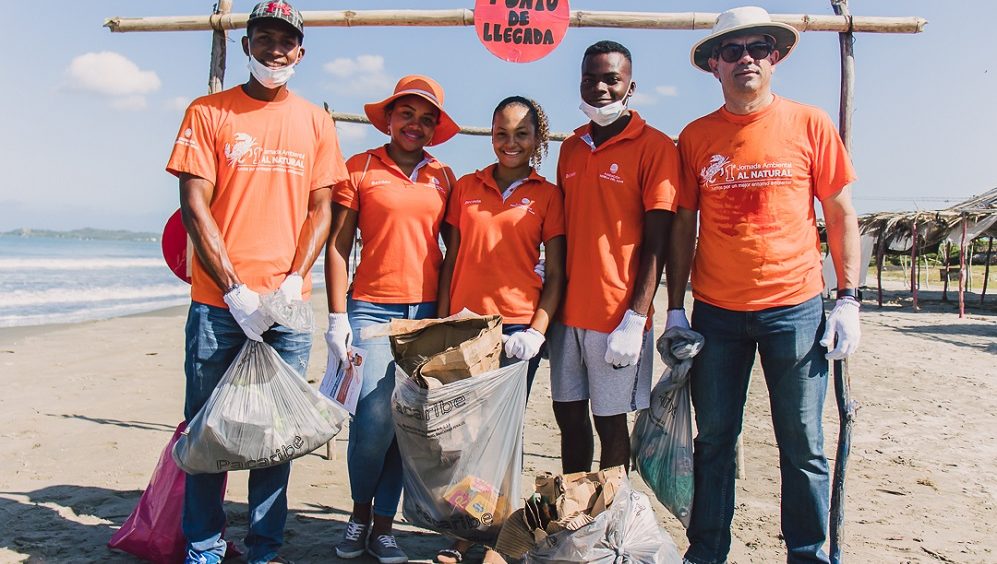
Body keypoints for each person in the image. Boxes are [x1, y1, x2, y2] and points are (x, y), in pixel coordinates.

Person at [667, 7, 862, 564]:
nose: (745, 57)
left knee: (803, 444)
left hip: (795, 309)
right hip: (717, 312)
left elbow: (840, 211)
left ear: (775, 58)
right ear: (713, 66)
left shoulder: (809, 123)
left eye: (758, 47)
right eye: (731, 50)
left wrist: (848, 298)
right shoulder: (696, 136)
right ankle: (706, 553)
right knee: (714, 442)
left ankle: (807, 553)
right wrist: (675, 308)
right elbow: (683, 224)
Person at [165, 2, 347, 563]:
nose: (275, 49)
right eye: (263, 38)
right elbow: (195, 204)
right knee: (207, 432)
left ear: (301, 51)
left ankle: (265, 547)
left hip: (288, 308)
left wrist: (294, 280)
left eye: (285, 41)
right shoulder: (208, 111)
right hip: (219, 305)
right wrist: (235, 290)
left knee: (277, 436)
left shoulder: (315, 120)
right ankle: (204, 544)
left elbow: (324, 209)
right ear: (246, 45)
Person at [325, 75, 459, 564]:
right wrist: (337, 314)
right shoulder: (359, 167)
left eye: (427, 118)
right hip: (370, 309)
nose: (416, 125)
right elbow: (338, 247)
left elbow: (455, 250)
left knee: (407, 425)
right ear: (389, 117)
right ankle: (359, 514)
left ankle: (383, 528)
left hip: (424, 314)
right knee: (373, 420)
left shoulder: (443, 176)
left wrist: (443, 320)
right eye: (407, 114)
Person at [434, 96, 566, 564]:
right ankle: (466, 532)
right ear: (490, 135)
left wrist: (537, 330)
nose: (511, 143)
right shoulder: (466, 186)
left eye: (522, 134)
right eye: (501, 133)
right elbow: (452, 258)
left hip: (516, 330)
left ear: (538, 140)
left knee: (503, 435)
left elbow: (556, 276)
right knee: (466, 436)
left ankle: (498, 540)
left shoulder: (549, 196)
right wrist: (442, 319)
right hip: (466, 327)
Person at [550, 40, 682, 474]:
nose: (601, 88)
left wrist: (635, 316)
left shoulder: (656, 147)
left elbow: (657, 241)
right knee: (568, 419)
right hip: (568, 313)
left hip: (616, 316)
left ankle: (609, 519)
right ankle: (575, 516)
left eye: (612, 79)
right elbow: (564, 230)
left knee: (610, 425)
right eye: (591, 79)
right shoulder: (570, 148)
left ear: (631, 86)